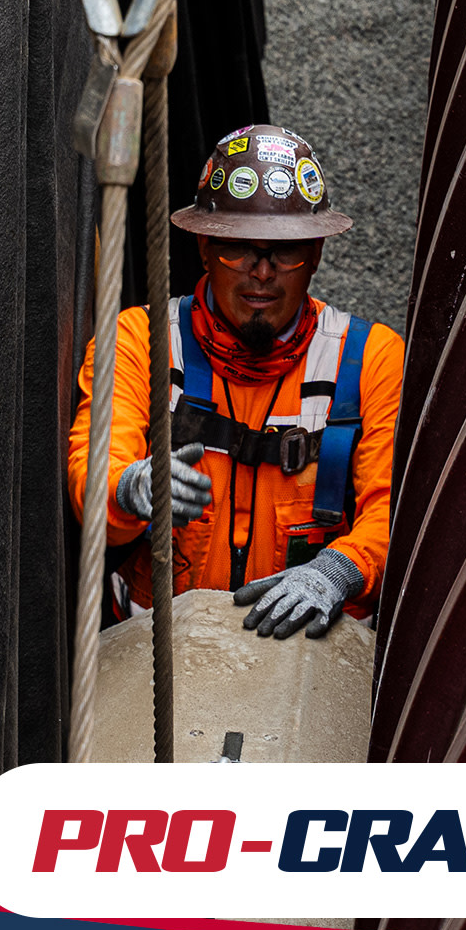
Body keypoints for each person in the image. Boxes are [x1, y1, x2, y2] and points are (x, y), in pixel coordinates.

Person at [68, 124, 404, 640]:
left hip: (307, 660)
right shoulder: (141, 341)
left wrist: (339, 571)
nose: (262, 272)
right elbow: (93, 483)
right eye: (238, 249)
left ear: (316, 254)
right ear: (204, 247)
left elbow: (394, 513)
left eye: (286, 252)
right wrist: (129, 489)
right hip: (152, 657)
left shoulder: (371, 359)